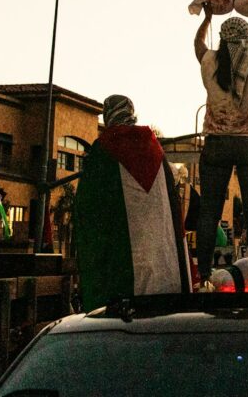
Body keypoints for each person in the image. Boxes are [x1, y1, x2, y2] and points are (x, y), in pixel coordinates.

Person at [194, 4, 248, 292]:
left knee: (209, 212)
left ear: (222, 39)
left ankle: (205, 279)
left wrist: (207, 18)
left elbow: (196, 44)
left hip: (217, 143)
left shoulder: (210, 60)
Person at [73, 95, 190, 311]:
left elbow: (87, 210)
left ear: (108, 116)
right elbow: (175, 210)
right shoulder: (156, 150)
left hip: (120, 279)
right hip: (164, 276)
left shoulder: (103, 151)